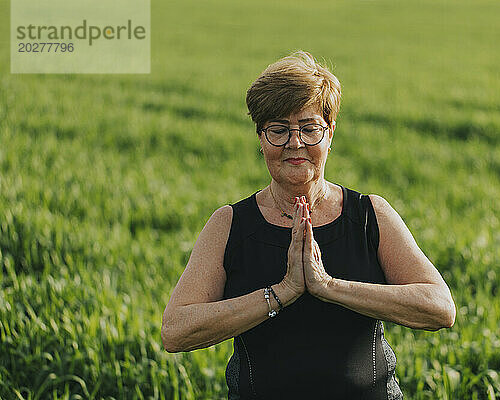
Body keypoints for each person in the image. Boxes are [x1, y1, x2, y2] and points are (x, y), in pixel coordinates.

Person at [161, 50, 456, 400]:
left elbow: (439, 307)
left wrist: (327, 286)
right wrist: (282, 293)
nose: (295, 142)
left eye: (309, 128)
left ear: (330, 134)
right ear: (261, 137)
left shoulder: (369, 215)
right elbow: (175, 331)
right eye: (279, 130)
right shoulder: (230, 225)